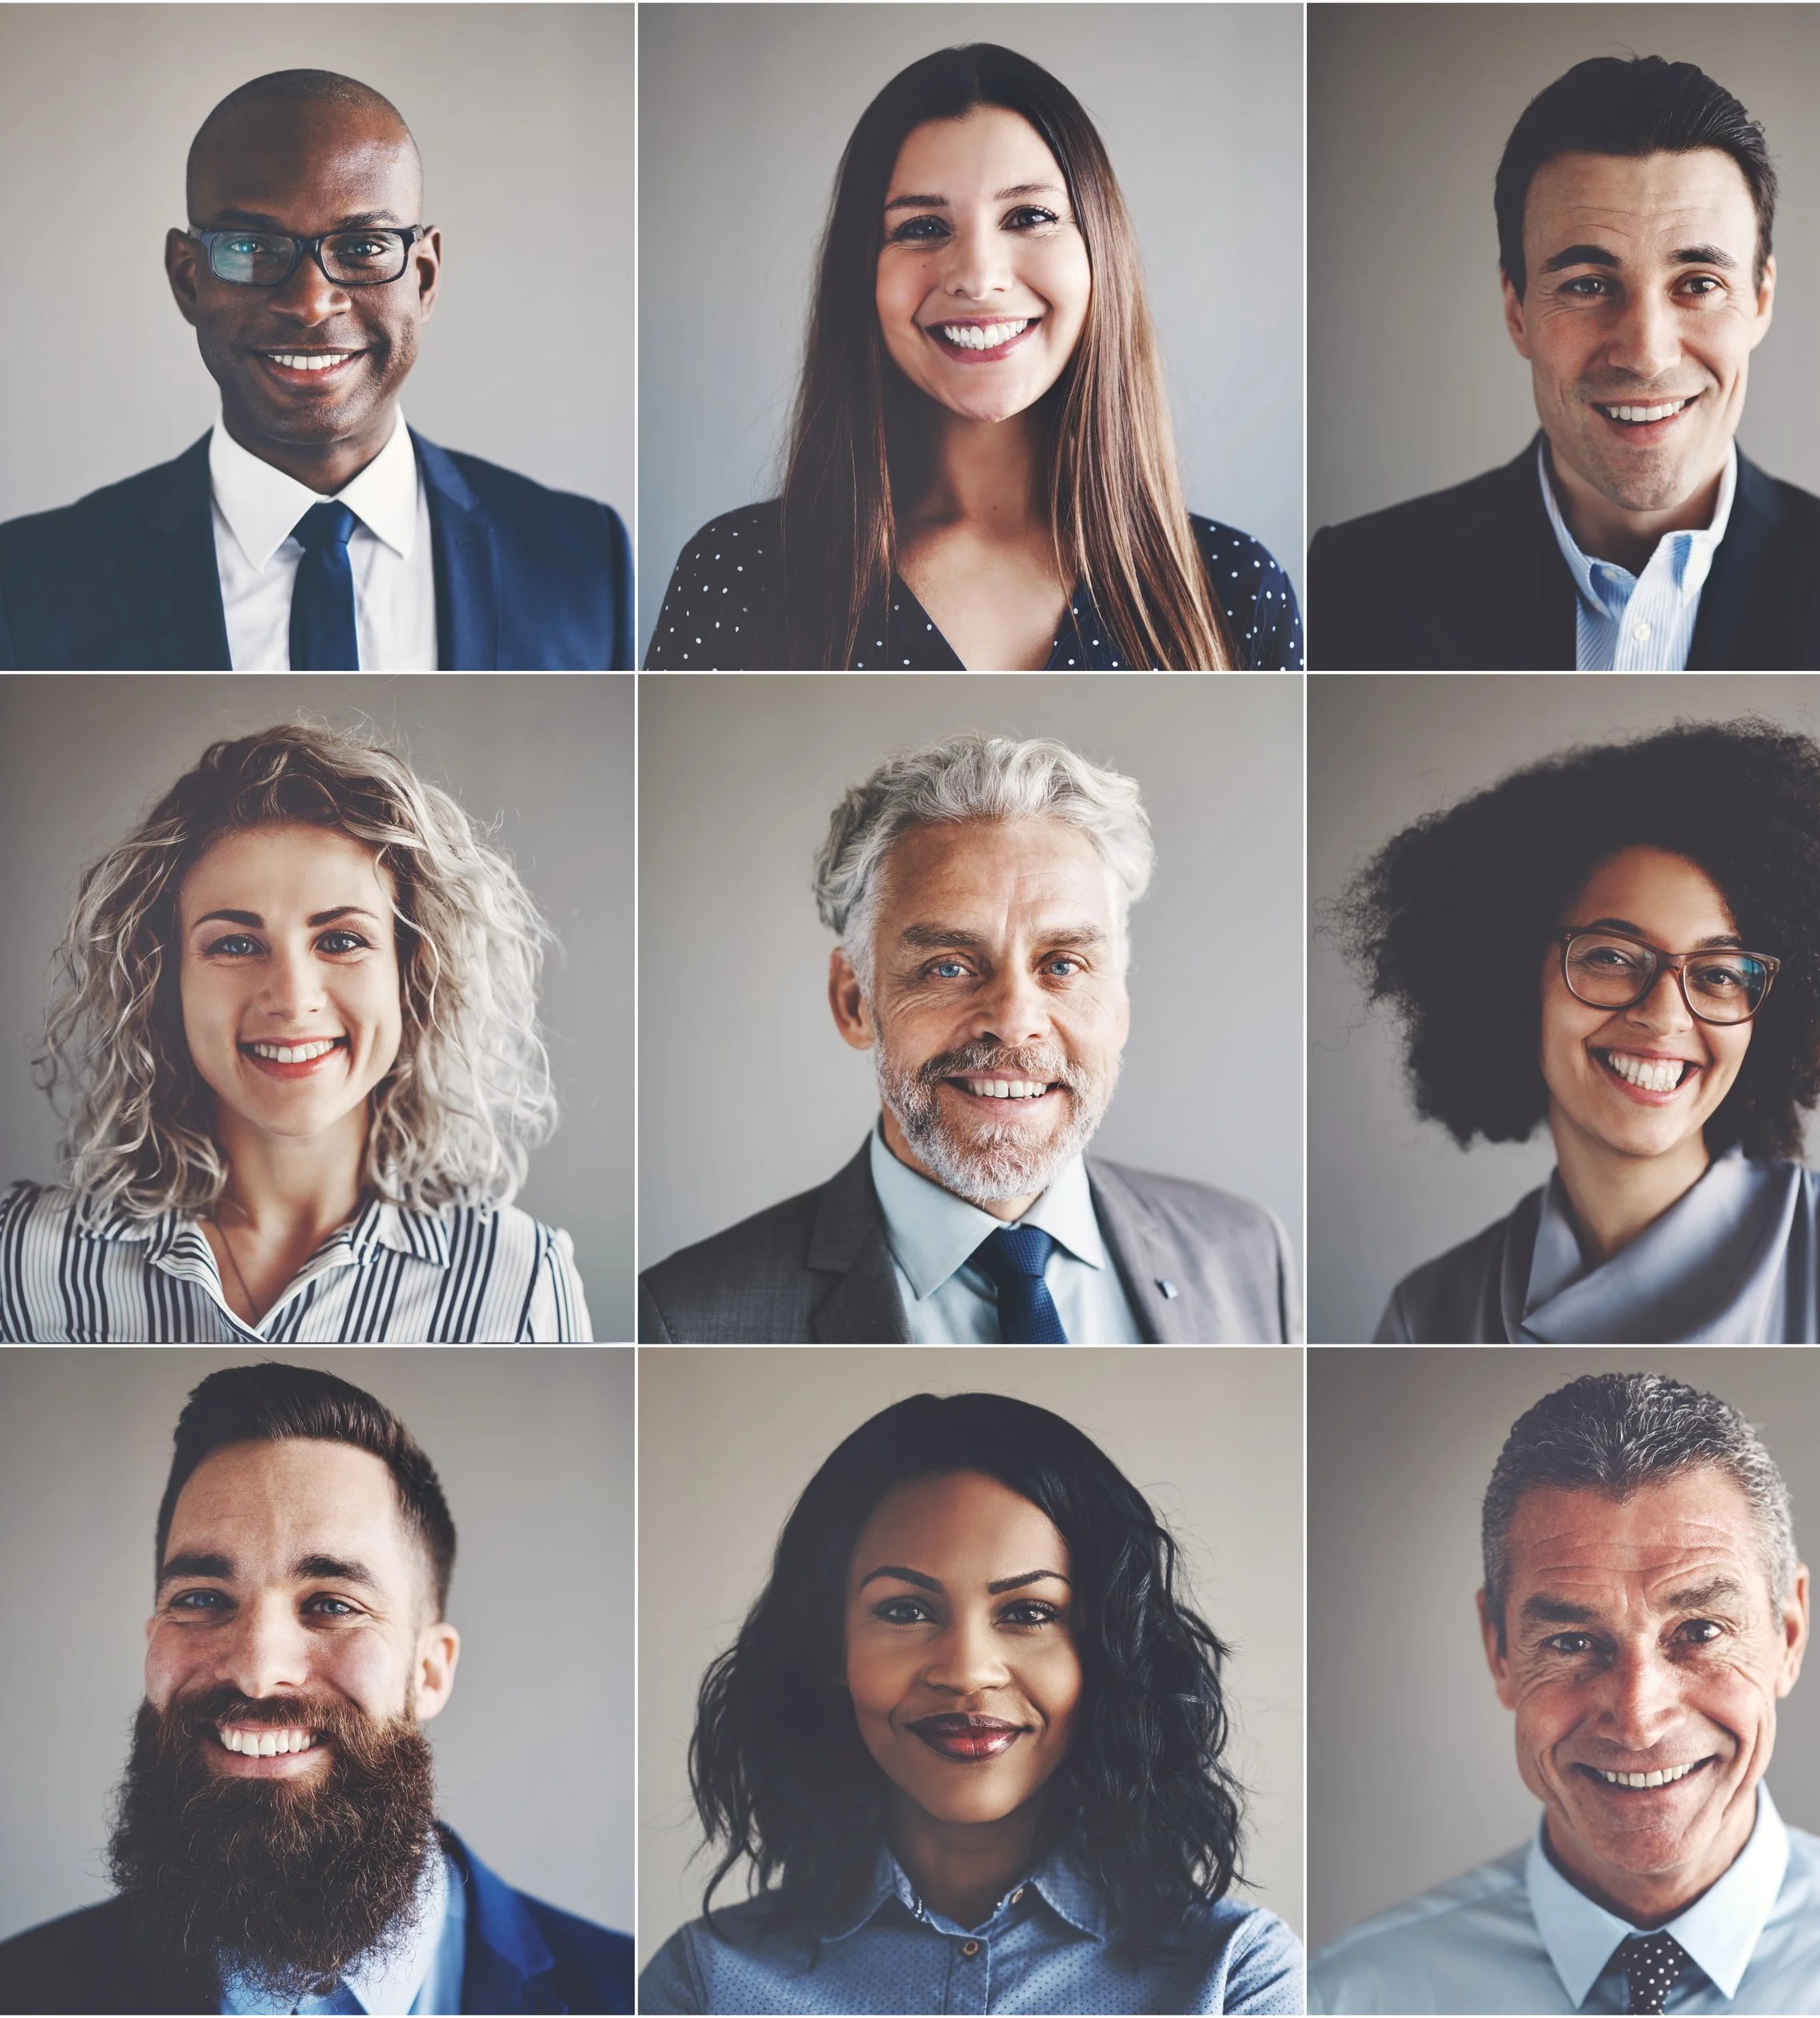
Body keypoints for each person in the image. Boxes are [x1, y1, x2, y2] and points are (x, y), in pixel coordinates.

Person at [0, 1360, 634, 2014]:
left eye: (334, 1604)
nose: (258, 1670)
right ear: (153, 1643)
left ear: (430, 1670)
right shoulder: (1, 1995)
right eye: (202, 1597)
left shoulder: (630, 1993)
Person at [1308, 1372, 1820, 2013]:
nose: (1638, 1718)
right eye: (1571, 1641)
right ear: (1498, 1648)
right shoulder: (1344, 1998)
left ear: (1788, 1635)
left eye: (1701, 1631)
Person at [639, 1390, 1301, 2014]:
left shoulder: (1235, 1974)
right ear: (828, 1647)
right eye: (904, 1610)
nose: (966, 1672)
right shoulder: (707, 1982)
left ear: (1106, 1652)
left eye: (1029, 1612)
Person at [644, 43, 1300, 671]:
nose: (977, 277)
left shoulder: (1237, 589)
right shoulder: (738, 573)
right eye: (922, 227)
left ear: (1100, 249)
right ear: (860, 276)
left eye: (1029, 217)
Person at [1307, 55, 1820, 670]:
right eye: (1589, 284)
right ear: (1517, 311)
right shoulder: (1361, 583)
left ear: (1760, 301)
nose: (1647, 354)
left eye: (1700, 284)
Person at [637, 734, 1297, 1342]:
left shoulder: (1246, 1253)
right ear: (854, 1001)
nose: (1013, 1020)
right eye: (949, 967)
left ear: (1119, 1000)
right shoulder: (680, 1319)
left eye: (1062, 965)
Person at [0, 68, 632, 669]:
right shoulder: (28, 584)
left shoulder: (584, 558)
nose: (311, 303)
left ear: (424, 278)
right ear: (188, 279)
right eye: (252, 247)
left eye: (365, 246)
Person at [1334, 718, 1820, 1342]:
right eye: (1610, 956)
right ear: (1515, 974)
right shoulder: (1431, 1316)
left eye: (1719, 973)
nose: (1664, 1015)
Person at [0, 722, 591, 1341]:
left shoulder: (521, 1282)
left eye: (342, 941)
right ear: (164, 980)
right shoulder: (19, 1267)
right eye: (237, 944)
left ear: (412, 974)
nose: (293, 1000)